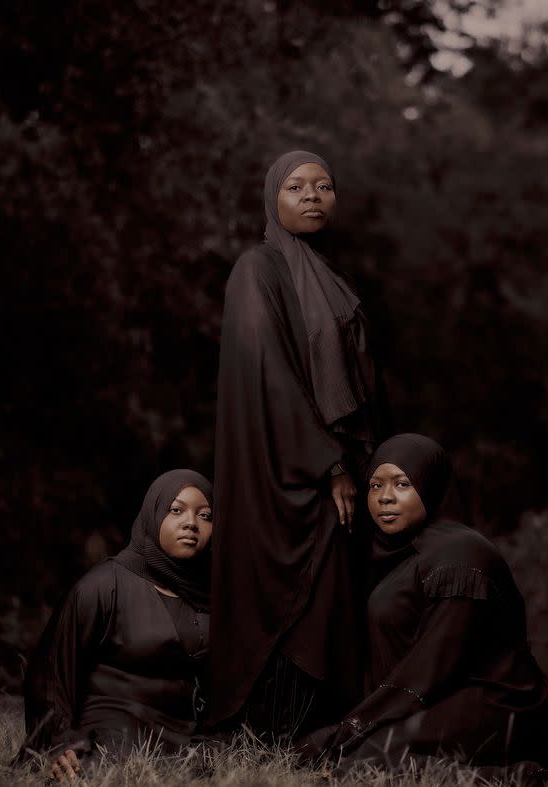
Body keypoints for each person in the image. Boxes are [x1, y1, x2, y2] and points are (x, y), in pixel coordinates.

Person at [209, 150, 386, 739]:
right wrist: (327, 460)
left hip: (332, 465)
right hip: (282, 469)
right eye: (296, 186)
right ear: (272, 199)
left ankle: (319, 730)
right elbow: (270, 372)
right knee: (291, 598)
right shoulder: (256, 270)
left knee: (333, 595)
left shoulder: (329, 276)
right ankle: (271, 731)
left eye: (324, 186)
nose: (313, 196)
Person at [298, 433, 548, 774]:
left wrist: (362, 722)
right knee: (311, 749)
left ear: (431, 485)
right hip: (435, 702)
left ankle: (515, 775)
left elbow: (435, 663)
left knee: (364, 762)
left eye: (402, 484)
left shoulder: (461, 554)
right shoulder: (399, 555)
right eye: (375, 486)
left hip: (495, 707)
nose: (385, 498)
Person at [21, 469, 213, 780]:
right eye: (176, 510)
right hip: (107, 743)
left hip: (183, 749)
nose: (191, 523)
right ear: (152, 514)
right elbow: (51, 671)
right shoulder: (105, 584)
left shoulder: (209, 595)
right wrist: (58, 742)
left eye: (205, 515)